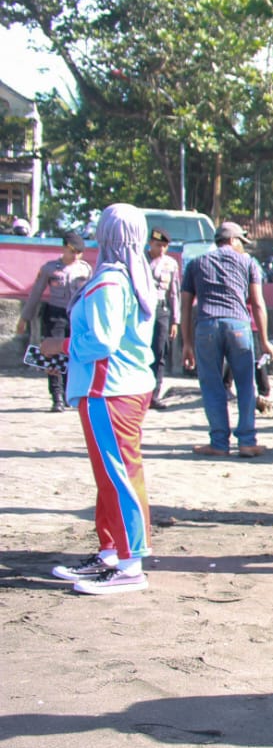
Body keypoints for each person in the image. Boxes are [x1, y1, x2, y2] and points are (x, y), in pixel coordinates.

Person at [45, 205, 157, 594]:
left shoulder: (111, 279)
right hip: (120, 387)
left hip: (108, 390)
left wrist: (59, 344)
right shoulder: (133, 274)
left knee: (119, 476)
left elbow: (104, 341)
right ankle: (112, 552)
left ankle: (129, 564)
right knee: (113, 474)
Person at [181, 221, 272, 457]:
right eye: (241, 242)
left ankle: (219, 443)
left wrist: (187, 344)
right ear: (232, 240)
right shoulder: (248, 263)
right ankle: (247, 441)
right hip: (238, 326)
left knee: (212, 386)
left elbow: (184, 307)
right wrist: (264, 340)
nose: (243, 246)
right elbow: (258, 303)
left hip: (206, 325)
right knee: (245, 384)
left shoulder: (196, 264)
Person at [17, 232, 91, 412]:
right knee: (53, 354)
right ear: (64, 248)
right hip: (55, 314)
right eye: (72, 251)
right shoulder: (50, 268)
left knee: (72, 354)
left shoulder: (85, 269)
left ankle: (68, 393)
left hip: (76, 316)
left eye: (78, 253)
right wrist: (25, 317)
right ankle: (56, 396)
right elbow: (36, 293)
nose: (75, 256)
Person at [145, 228, 182, 408]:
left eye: (165, 246)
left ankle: (154, 393)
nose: (161, 249)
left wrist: (175, 320)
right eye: (158, 245)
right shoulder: (139, 260)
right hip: (142, 310)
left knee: (159, 351)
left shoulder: (171, 264)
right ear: (150, 243)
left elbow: (174, 294)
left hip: (161, 310)